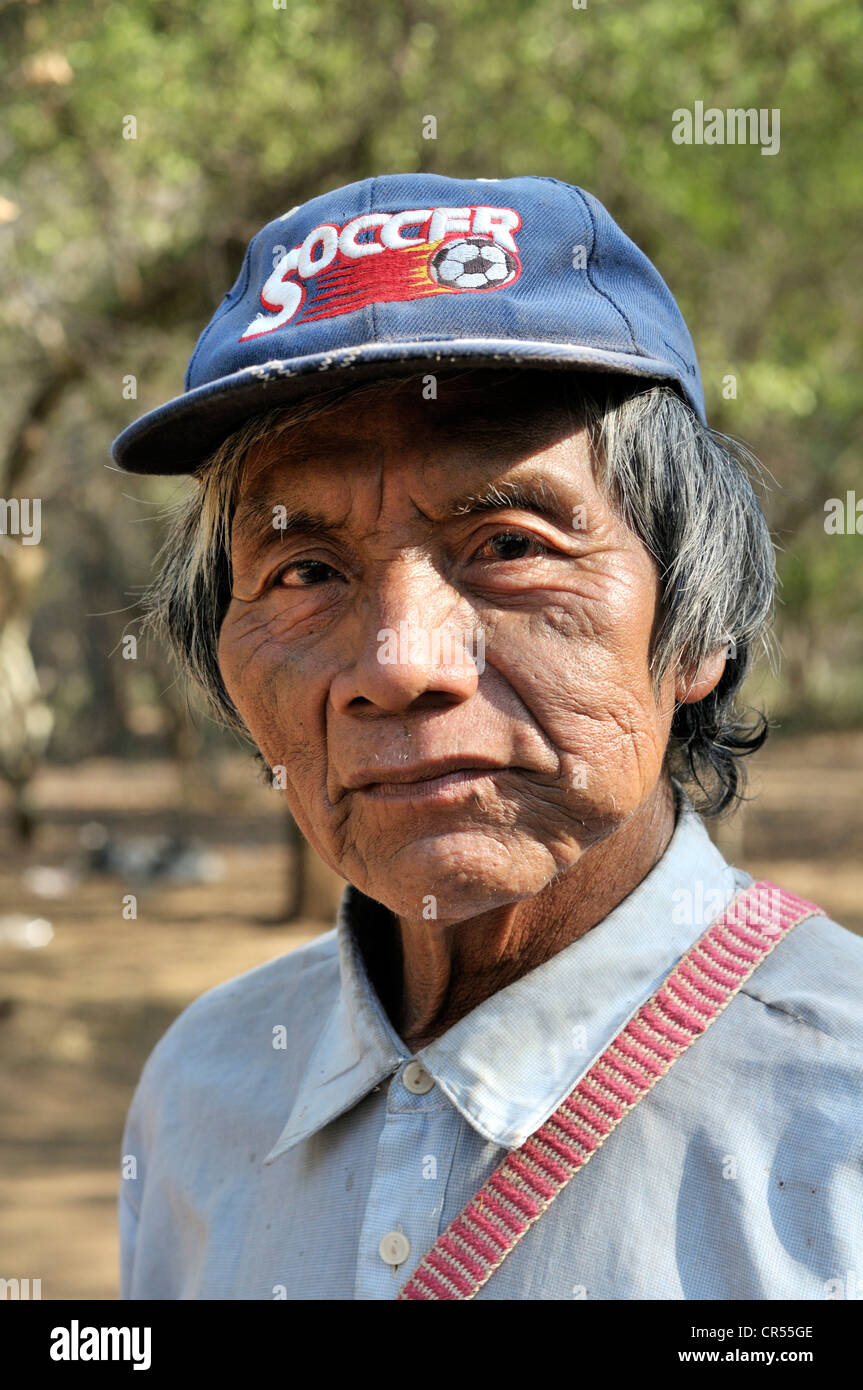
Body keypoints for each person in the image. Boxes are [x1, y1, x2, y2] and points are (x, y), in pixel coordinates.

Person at [111, 173, 863, 1300]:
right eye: (306, 572)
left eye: (508, 546)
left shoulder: (836, 1117)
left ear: (694, 628)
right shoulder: (201, 1091)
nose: (399, 665)